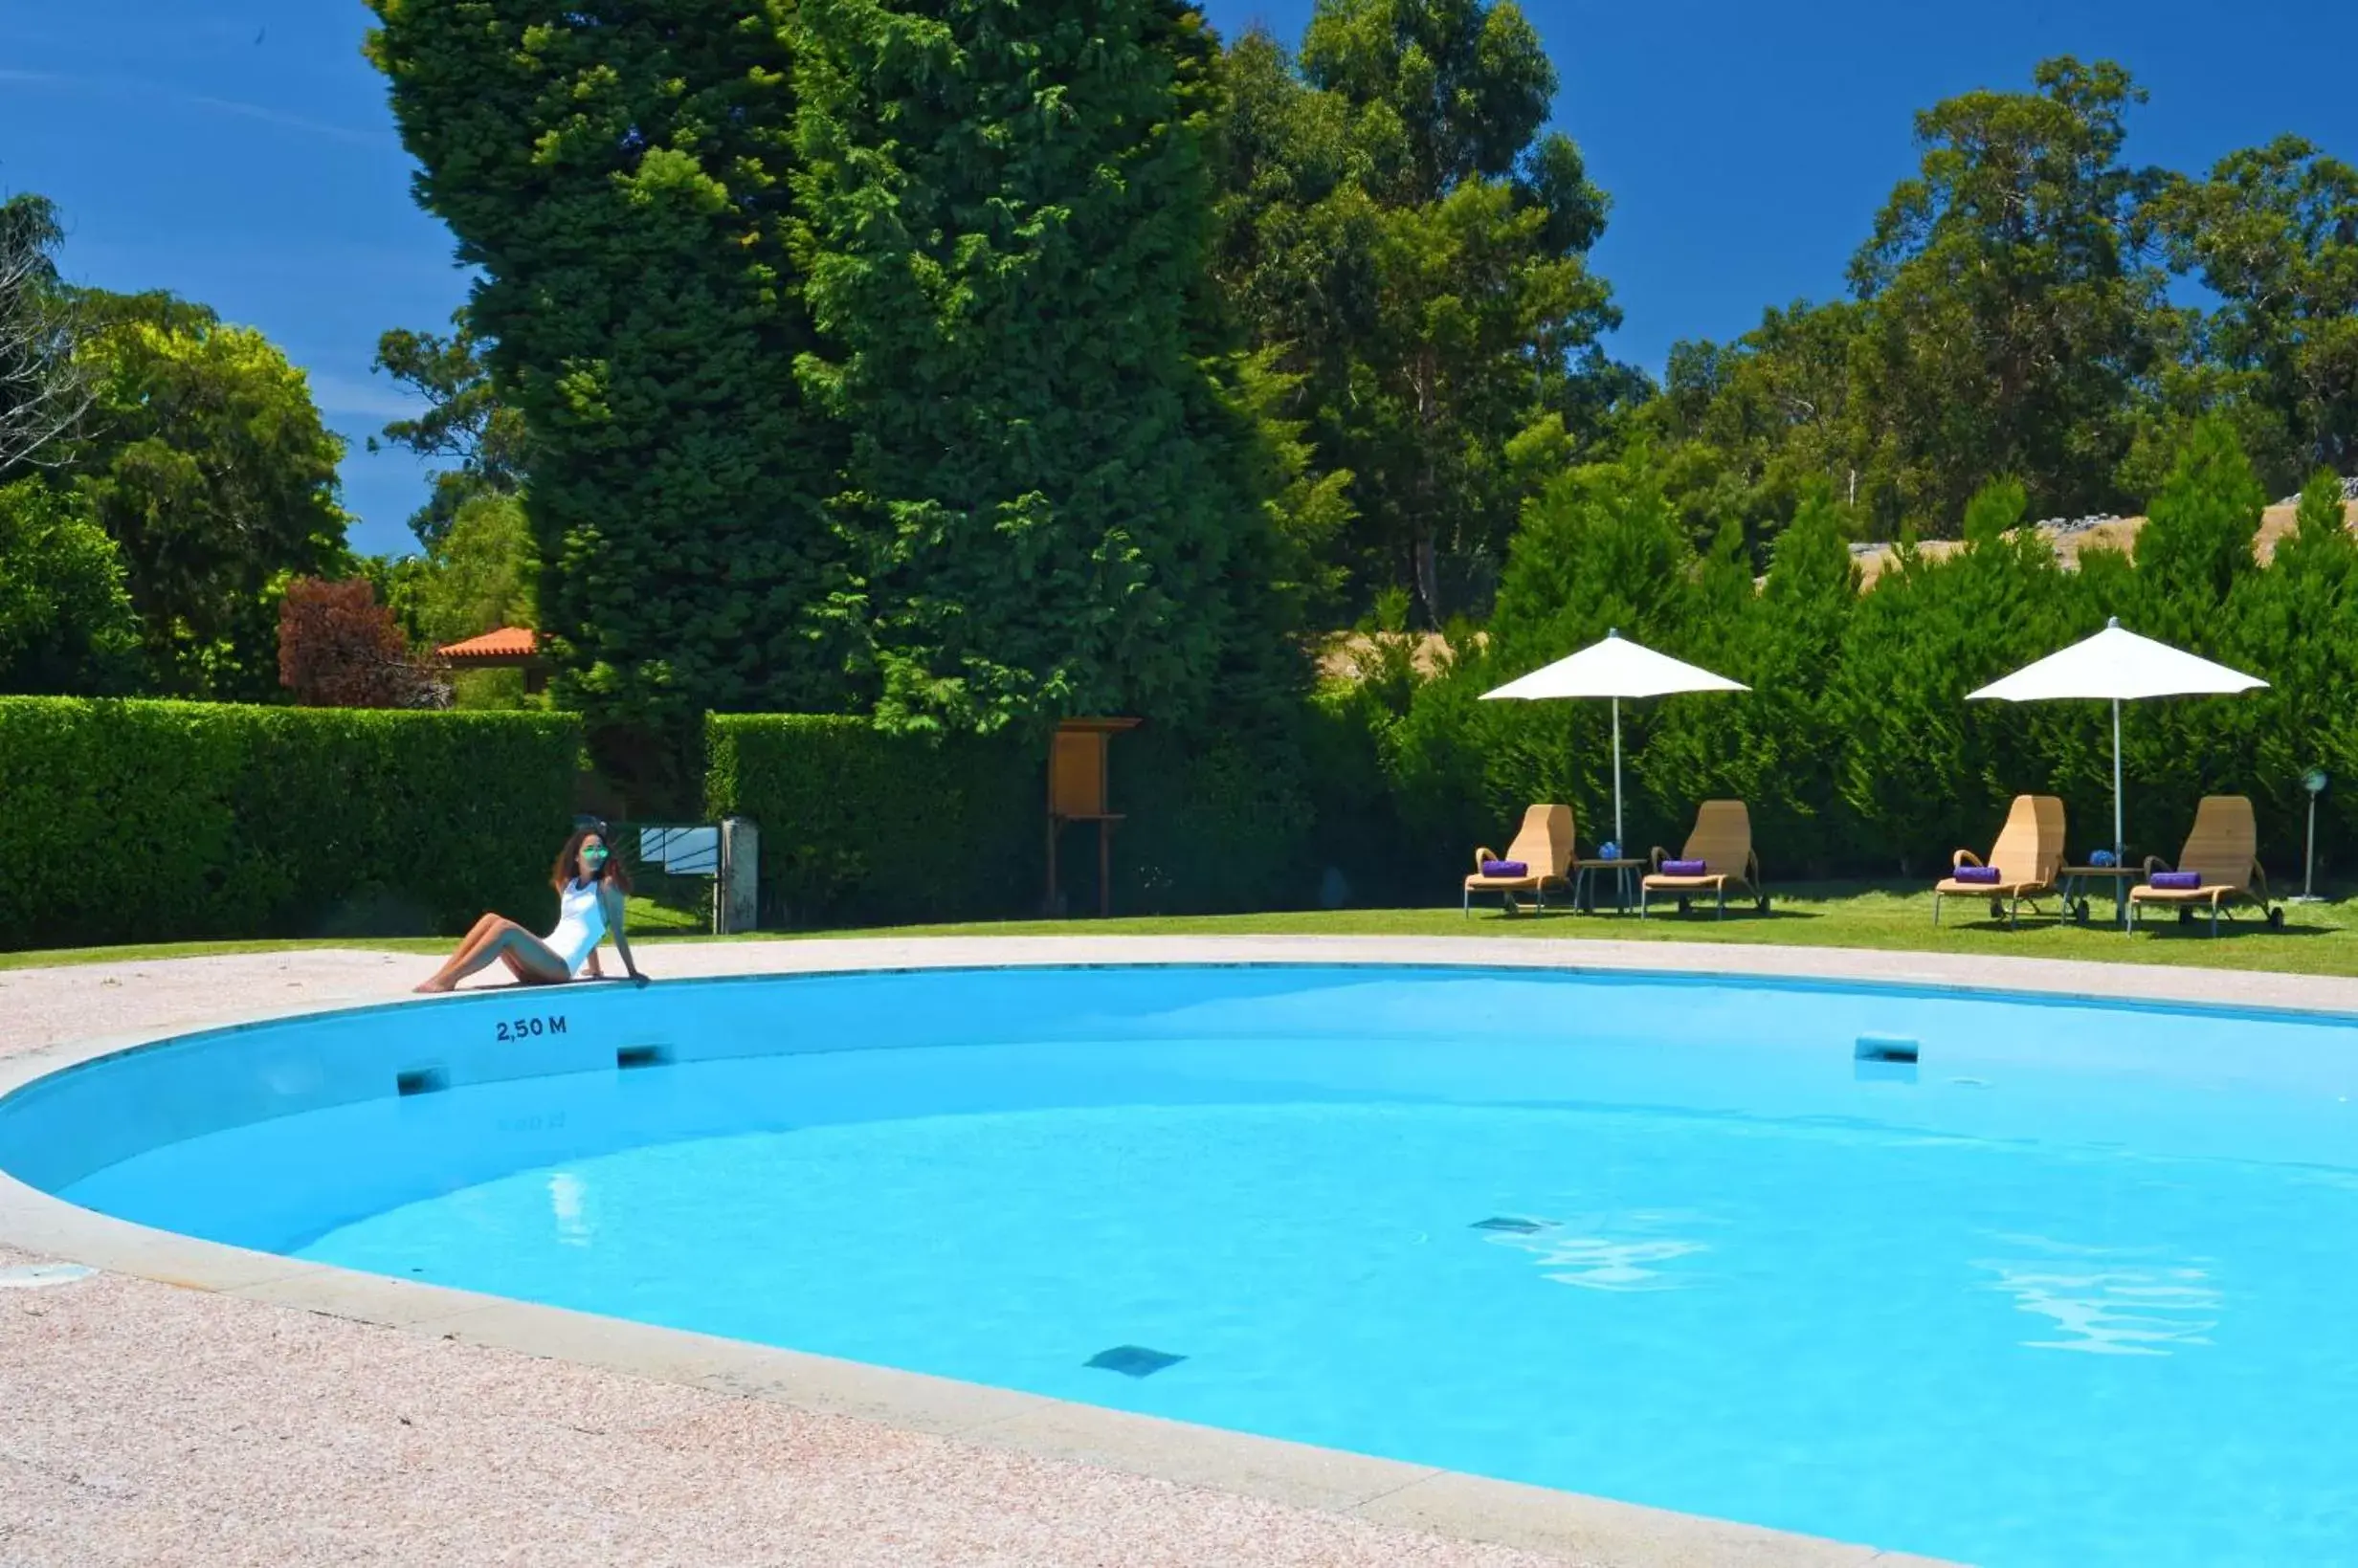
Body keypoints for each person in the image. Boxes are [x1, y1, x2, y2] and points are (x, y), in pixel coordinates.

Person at [413, 826, 650, 993]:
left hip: (559, 967)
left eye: (601, 849)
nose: (596, 854)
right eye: (589, 849)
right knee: (490, 918)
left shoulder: (607, 887)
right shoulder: (569, 885)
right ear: (577, 857)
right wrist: (595, 969)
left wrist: (632, 971)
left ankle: (448, 979)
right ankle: (443, 976)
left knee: (505, 928)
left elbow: (616, 930)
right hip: (541, 962)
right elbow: (583, 928)